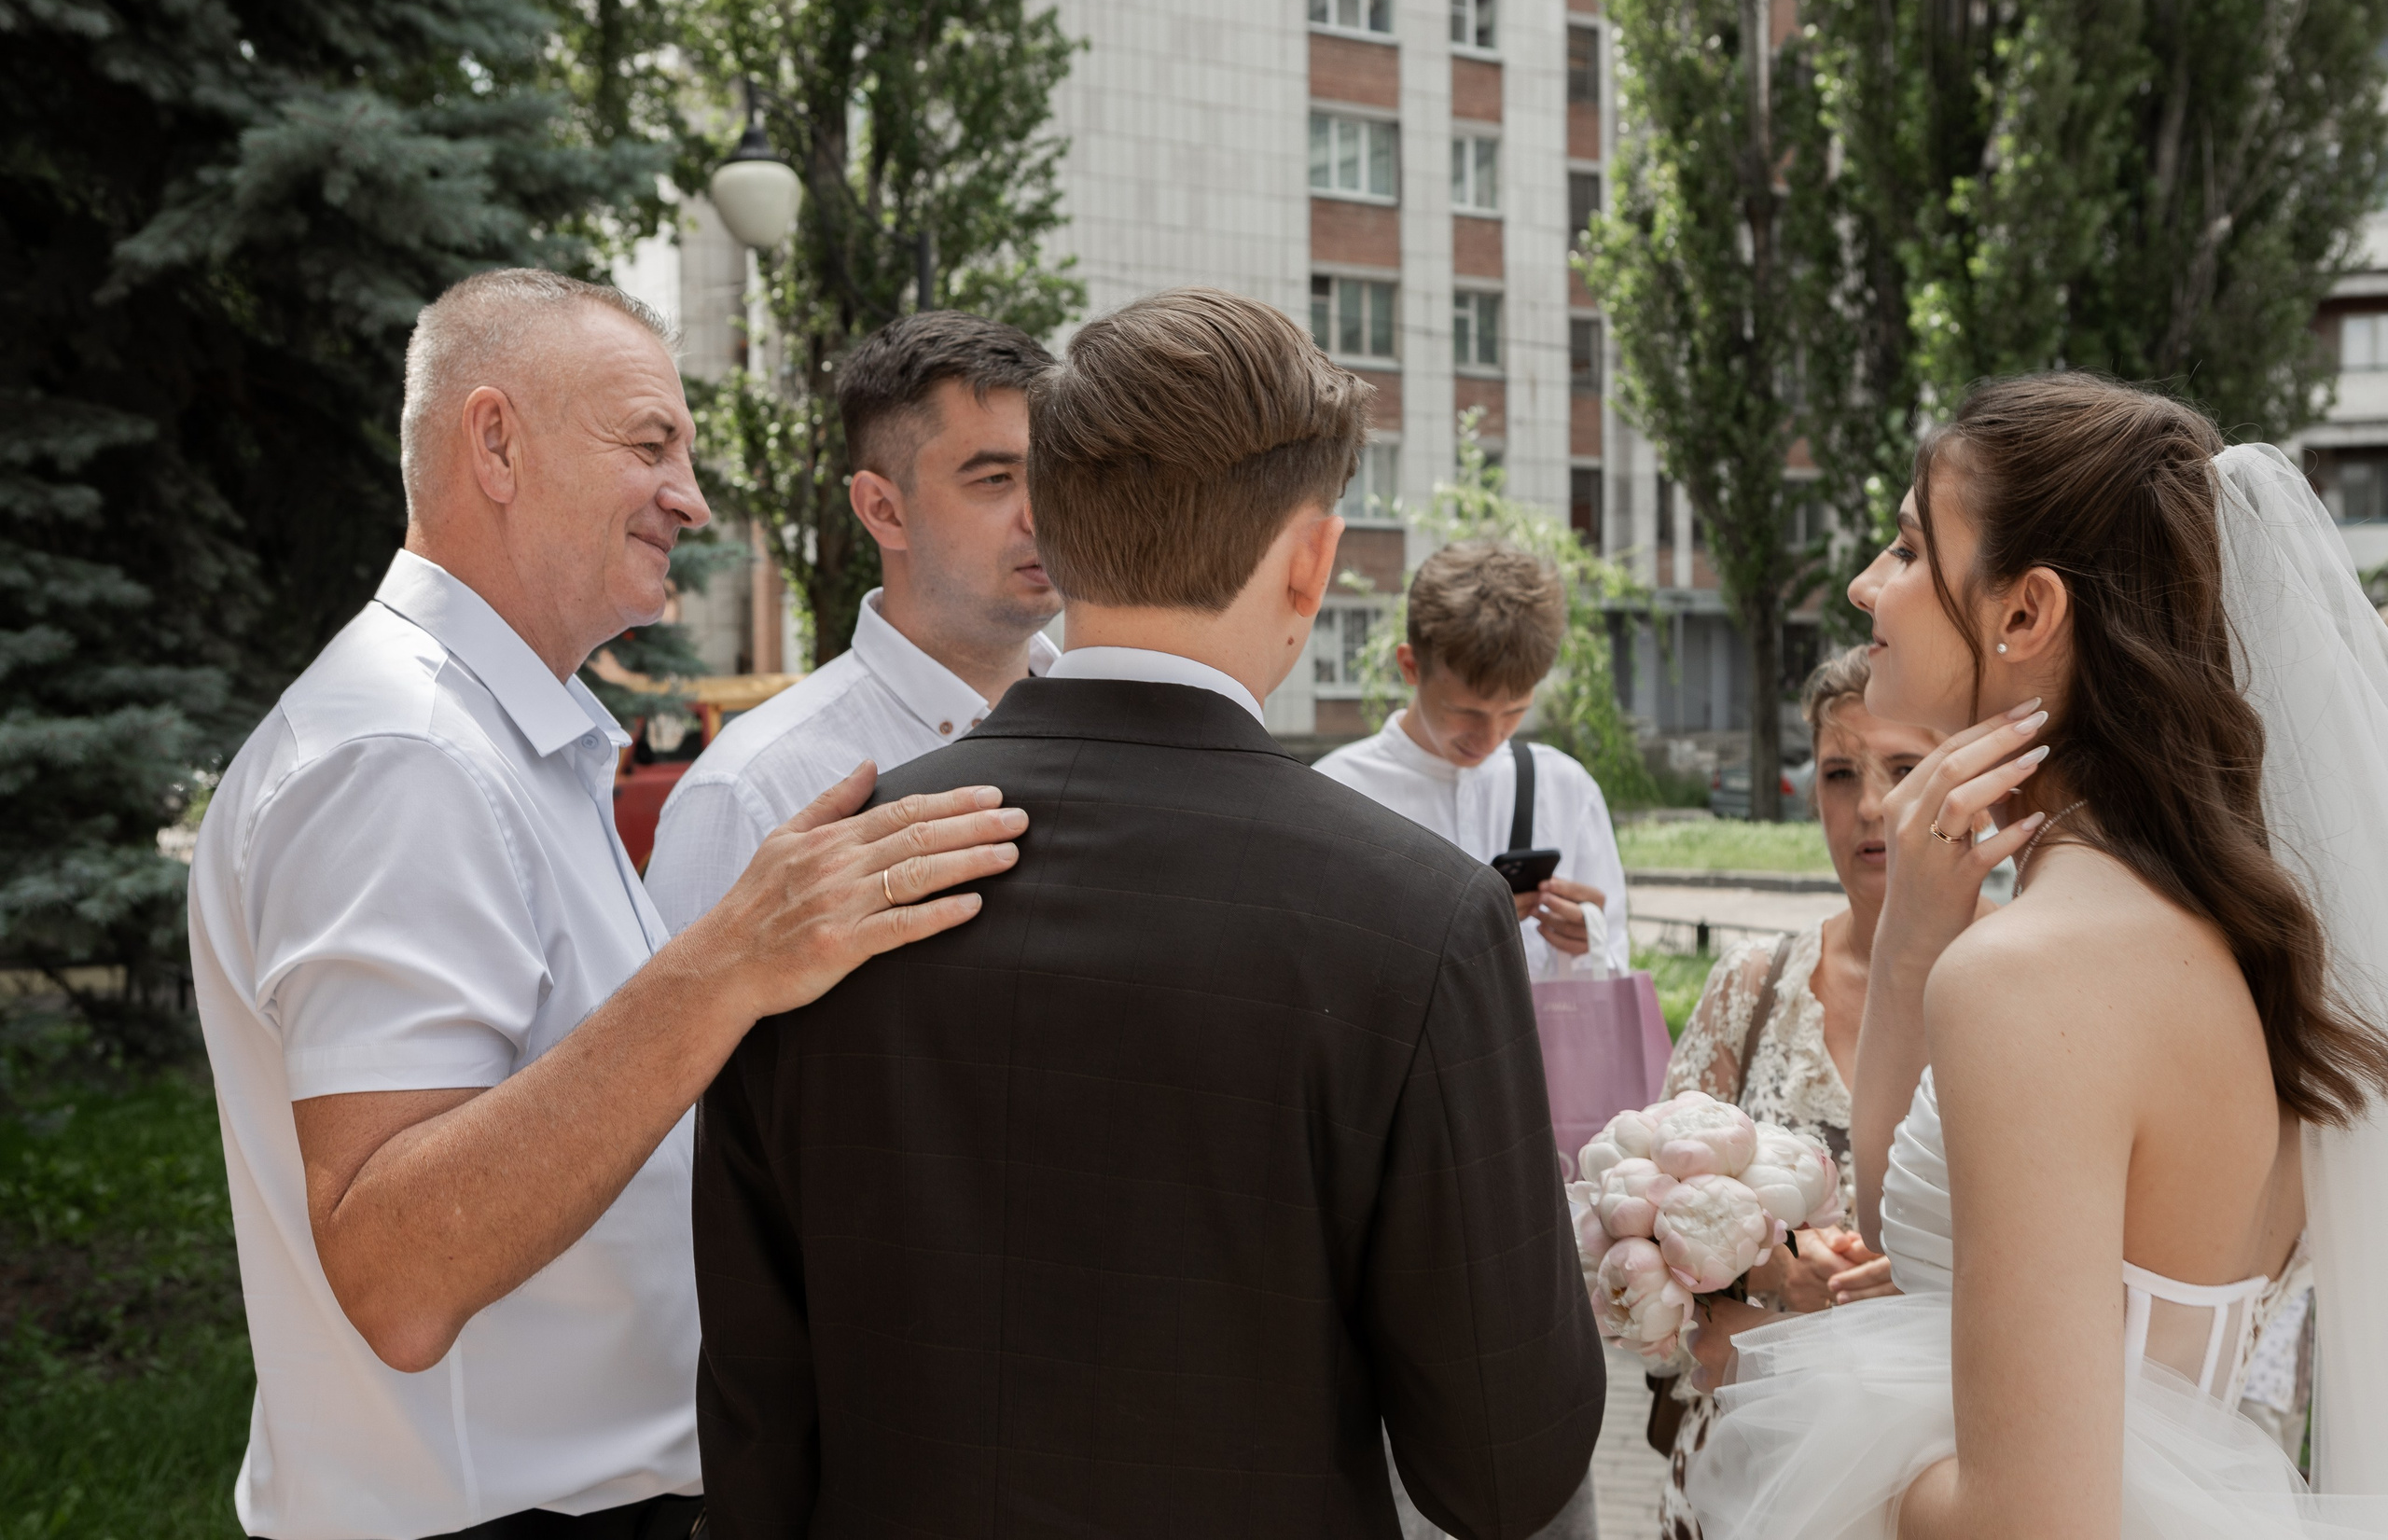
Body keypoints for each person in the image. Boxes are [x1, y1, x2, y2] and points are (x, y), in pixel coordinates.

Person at [688, 287, 1606, 1538]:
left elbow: (753, 1410)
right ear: (1311, 562)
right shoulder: (1417, 917)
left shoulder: (817, 879)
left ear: (1054, 528)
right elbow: (1503, 1466)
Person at [188, 270, 1024, 1540]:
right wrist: (727, 961)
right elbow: (396, 1265)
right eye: (649, 445)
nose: (691, 497)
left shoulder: (485, 736)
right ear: (496, 443)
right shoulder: (403, 754)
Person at [1687, 374, 2388, 1536]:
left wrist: (1825, 1456)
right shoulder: (2223, 932)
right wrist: (1911, 946)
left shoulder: (2029, 976)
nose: (1865, 583)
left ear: (2023, 615)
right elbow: (1929, 1244)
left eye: (1909, 548)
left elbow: (2028, 1519)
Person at [1654, 645, 1971, 1538]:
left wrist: (1929, 1286)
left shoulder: (2025, 989)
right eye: (1840, 774)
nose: (1871, 806)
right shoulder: (1754, 986)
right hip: (1742, 1479)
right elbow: (1649, 1229)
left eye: (1904, 769)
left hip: (1932, 1484)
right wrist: (1773, 1265)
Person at [645, 311, 1060, 935]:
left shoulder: (1119, 730)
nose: (1041, 515)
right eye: (995, 479)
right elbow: (675, 1002)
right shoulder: (751, 794)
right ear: (883, 510)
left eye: (1054, 475)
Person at [1313, 540, 1630, 977]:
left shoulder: (1566, 789)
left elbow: (1615, 966)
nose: (1491, 737)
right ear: (1410, 666)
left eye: (1515, 711)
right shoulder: (1336, 794)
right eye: (1467, 712)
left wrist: (1589, 943)